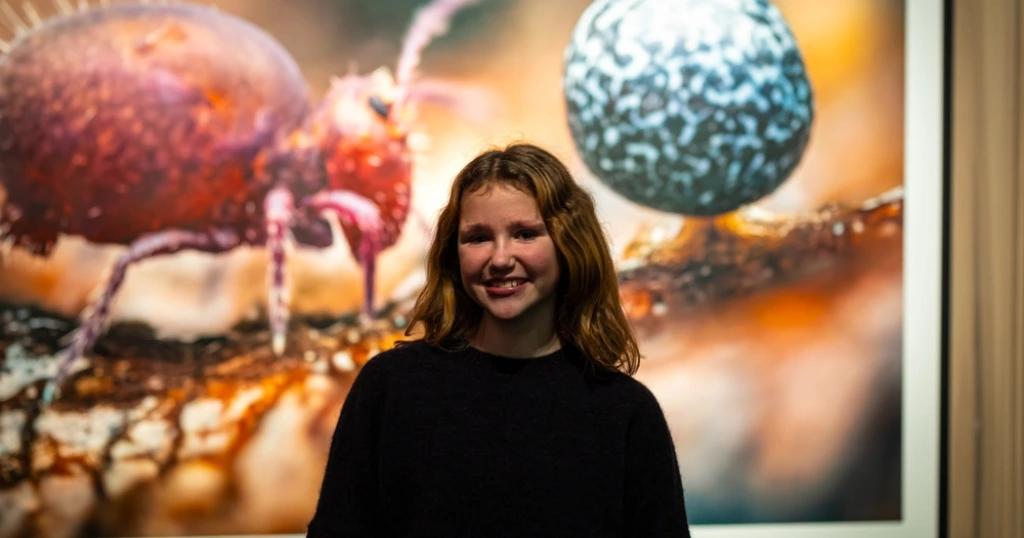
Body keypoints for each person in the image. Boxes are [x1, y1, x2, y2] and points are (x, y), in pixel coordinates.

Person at [307, 143, 691, 537]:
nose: (501, 258)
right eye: (478, 238)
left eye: (524, 234)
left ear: (569, 244)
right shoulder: (391, 387)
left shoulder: (625, 411)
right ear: (453, 253)